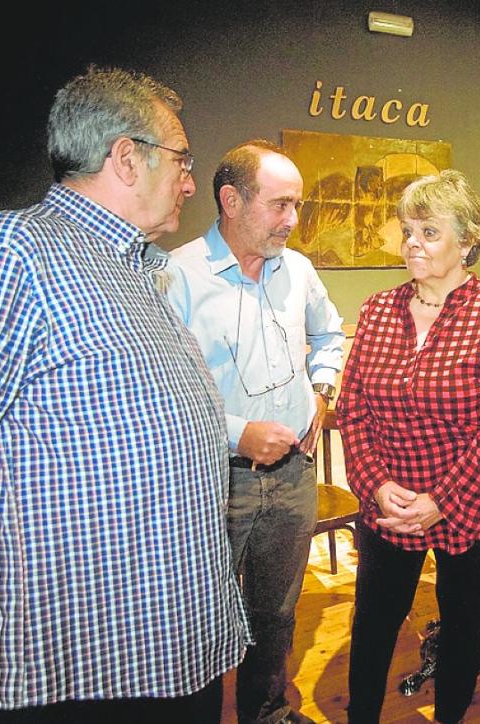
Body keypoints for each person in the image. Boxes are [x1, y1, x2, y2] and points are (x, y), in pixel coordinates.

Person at [0, 66, 248, 721]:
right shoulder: (7, 253)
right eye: (182, 159)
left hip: (164, 649)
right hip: (72, 667)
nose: (189, 180)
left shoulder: (131, 272)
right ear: (126, 157)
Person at [335, 169, 480, 724]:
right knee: (373, 620)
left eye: (429, 231)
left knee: (463, 620)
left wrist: (440, 501)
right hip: (389, 506)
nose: (412, 244)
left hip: (468, 503)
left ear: (468, 242)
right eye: (407, 230)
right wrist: (376, 487)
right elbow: (354, 411)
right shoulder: (377, 311)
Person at [163, 139, 345, 724]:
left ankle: (266, 712)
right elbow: (163, 390)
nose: (293, 220)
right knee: (201, 616)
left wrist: (322, 389)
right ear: (231, 200)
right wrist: (237, 432)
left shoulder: (299, 269)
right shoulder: (178, 277)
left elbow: (329, 334)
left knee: (276, 611)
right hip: (216, 480)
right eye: (281, 204)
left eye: (298, 205)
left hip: (293, 475)